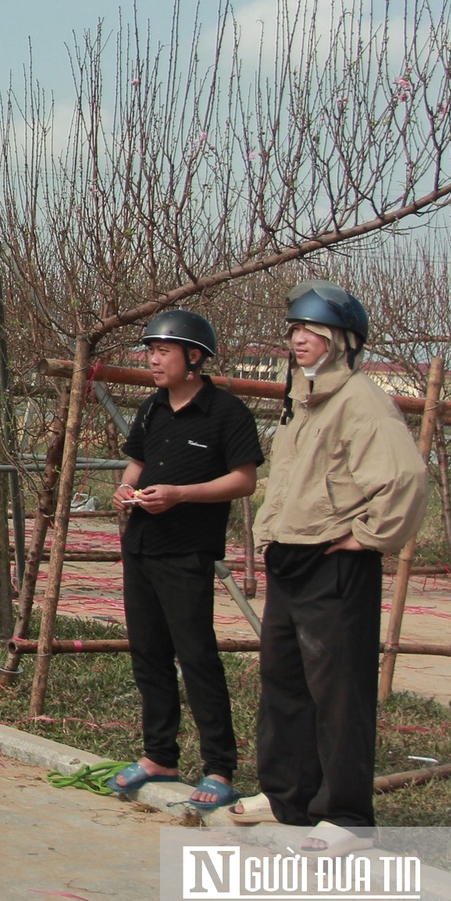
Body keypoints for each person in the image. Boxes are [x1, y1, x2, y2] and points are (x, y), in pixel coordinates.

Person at [237, 280, 427, 851]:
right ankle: (286, 796)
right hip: (291, 558)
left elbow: (405, 478)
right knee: (284, 682)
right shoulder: (303, 400)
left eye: (312, 331)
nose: (299, 339)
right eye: (295, 330)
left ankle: (346, 817)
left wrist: (368, 537)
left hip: (334, 564)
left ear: (342, 341)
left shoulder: (362, 401)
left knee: (339, 692)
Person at [108, 309, 263, 811]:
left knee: (196, 656)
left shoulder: (226, 413)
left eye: (163, 351)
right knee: (148, 653)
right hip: (142, 546)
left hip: (187, 552)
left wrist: (180, 494)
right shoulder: (153, 408)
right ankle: (159, 757)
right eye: (150, 351)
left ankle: (220, 766)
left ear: (194, 358)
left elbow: (243, 480)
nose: (152, 359)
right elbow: (137, 462)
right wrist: (126, 488)